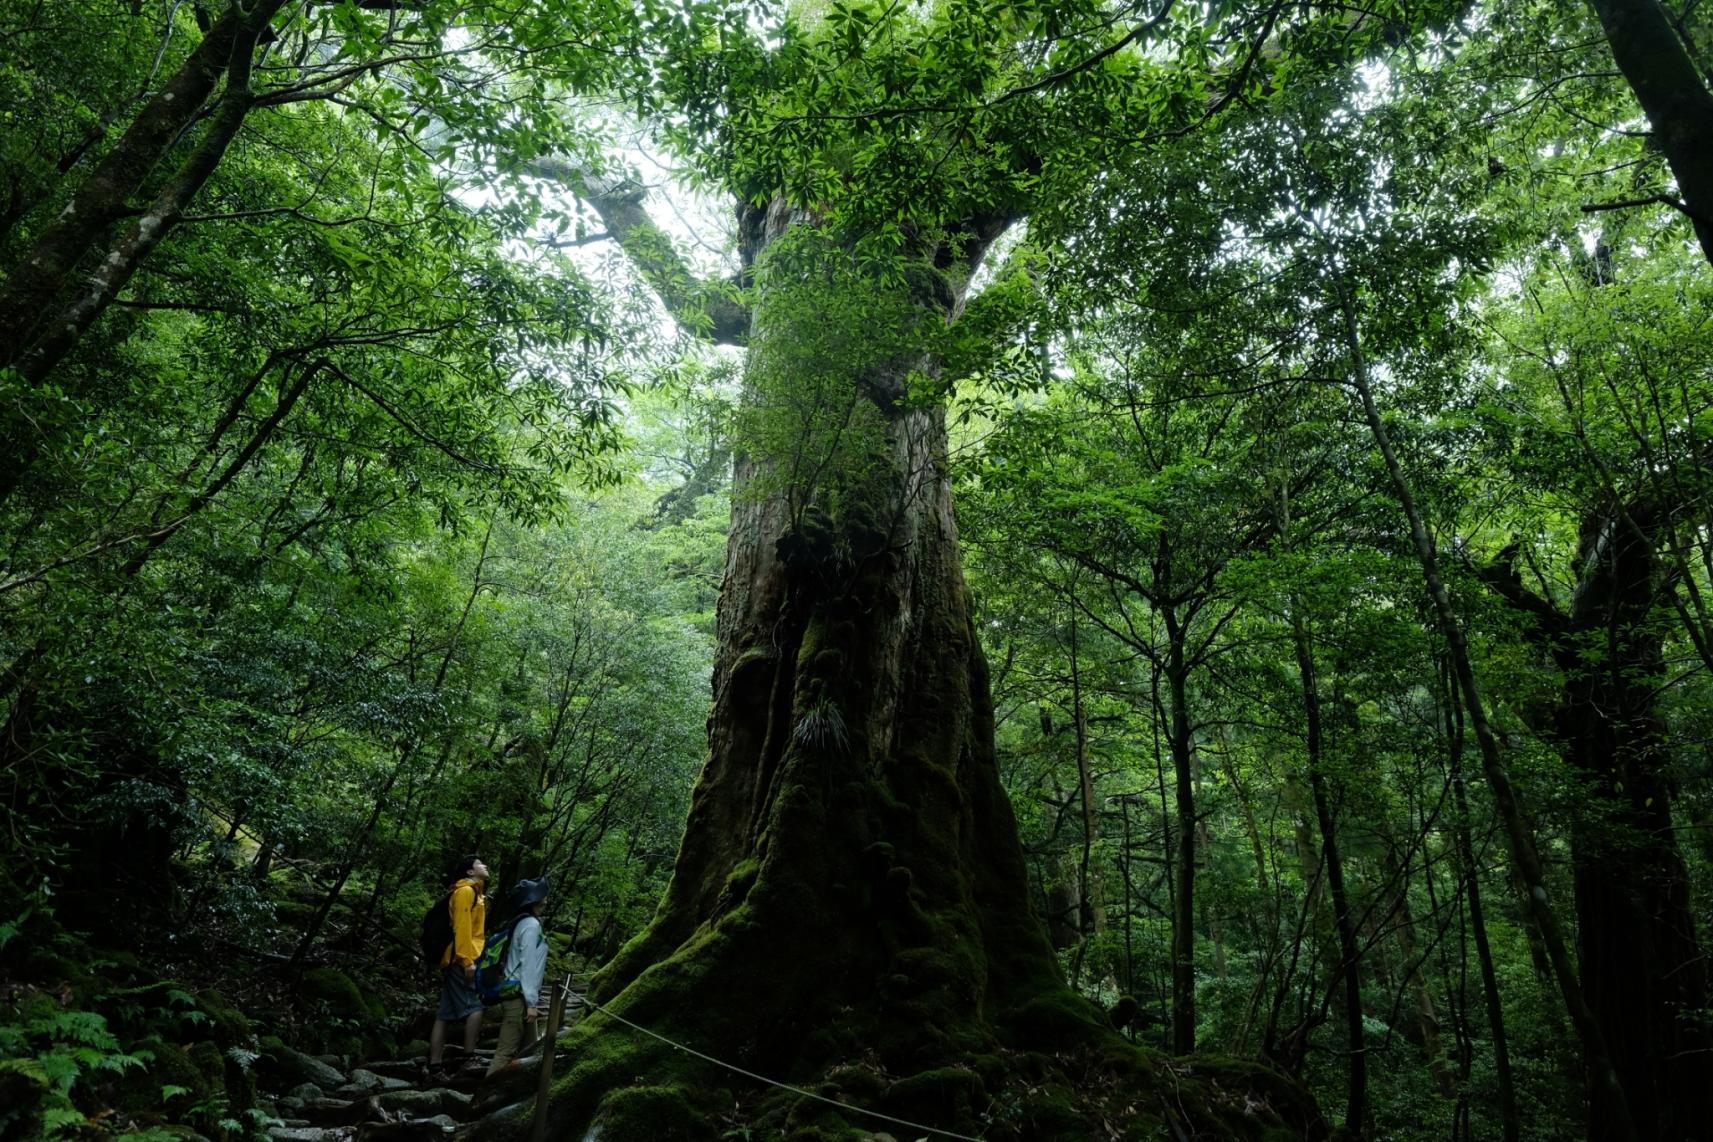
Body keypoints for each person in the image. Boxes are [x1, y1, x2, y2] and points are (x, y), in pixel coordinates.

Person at [428, 854, 488, 1075]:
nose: (485, 866)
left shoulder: (474, 892)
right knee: (476, 1008)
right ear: (470, 872)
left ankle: (435, 1067)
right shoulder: (464, 892)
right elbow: (461, 929)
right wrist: (467, 961)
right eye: (480, 864)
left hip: (456, 959)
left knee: (444, 1014)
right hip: (458, 960)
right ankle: (468, 1058)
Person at [486, 875, 550, 1076]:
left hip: (517, 992)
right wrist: (531, 1003)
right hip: (518, 996)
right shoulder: (531, 925)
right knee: (505, 1052)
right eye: (541, 894)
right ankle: (481, 1100)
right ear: (533, 899)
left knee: (526, 1049)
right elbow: (528, 964)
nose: (545, 897)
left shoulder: (523, 922)